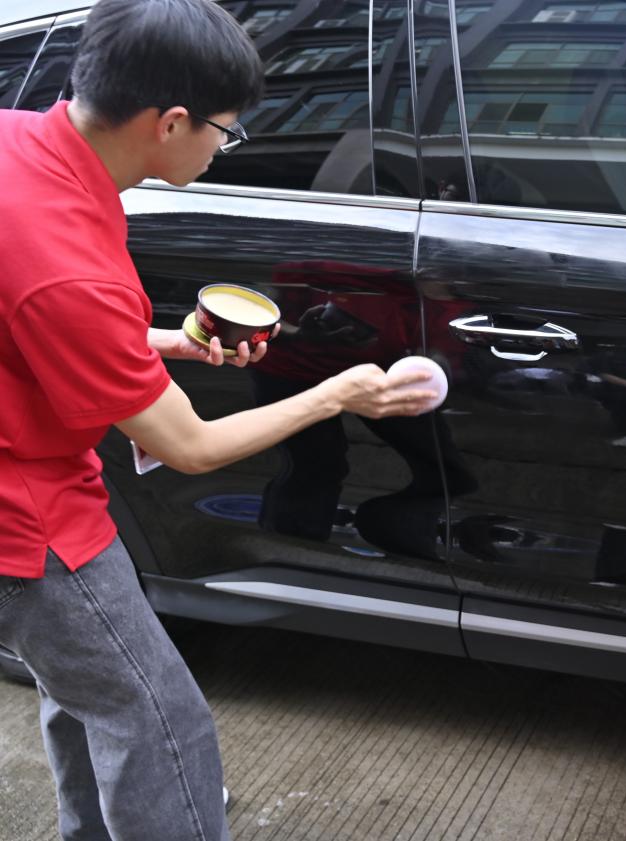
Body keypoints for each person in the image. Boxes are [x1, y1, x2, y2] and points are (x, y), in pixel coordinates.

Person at [0, 2, 436, 839]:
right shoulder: (69, 263)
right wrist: (336, 394)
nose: (223, 147)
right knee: (161, 723)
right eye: (226, 131)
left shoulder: (18, 142)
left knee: (89, 692)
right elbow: (190, 445)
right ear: (169, 123)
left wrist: (162, 343)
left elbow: (32, 317)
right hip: (30, 524)